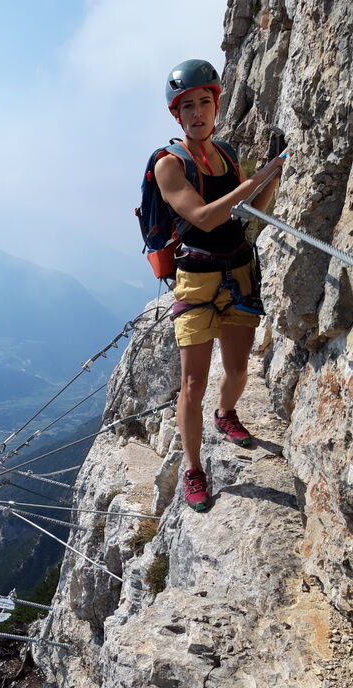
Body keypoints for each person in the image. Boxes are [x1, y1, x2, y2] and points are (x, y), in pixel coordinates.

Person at [154, 59, 283, 511]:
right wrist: (254, 181)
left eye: (204, 102)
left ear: (216, 104)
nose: (196, 113)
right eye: (186, 106)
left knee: (239, 370)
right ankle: (194, 469)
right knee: (192, 384)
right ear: (176, 115)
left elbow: (251, 212)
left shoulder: (226, 154)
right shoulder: (170, 166)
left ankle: (226, 415)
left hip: (239, 270)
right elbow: (206, 218)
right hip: (196, 281)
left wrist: (271, 178)